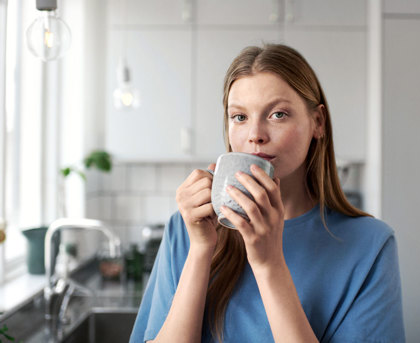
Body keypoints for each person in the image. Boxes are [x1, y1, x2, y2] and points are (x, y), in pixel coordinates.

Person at [130, 43, 405, 343]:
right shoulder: (187, 230)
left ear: (318, 122)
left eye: (277, 114)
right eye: (240, 117)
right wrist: (199, 251)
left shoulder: (370, 246)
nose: (255, 134)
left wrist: (269, 264)